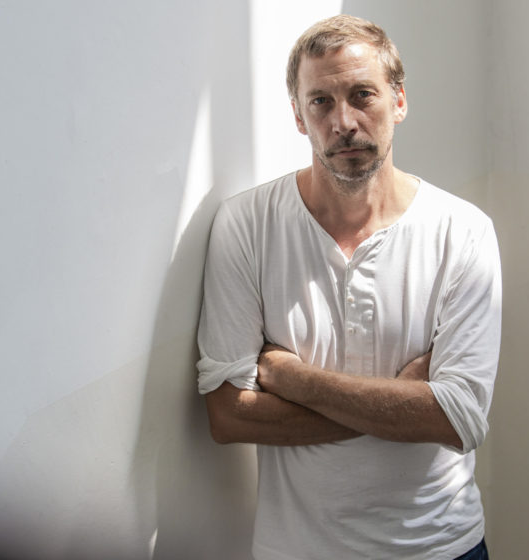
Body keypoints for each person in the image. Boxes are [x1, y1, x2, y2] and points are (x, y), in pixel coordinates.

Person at [196, 14, 500, 560]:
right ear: (298, 116)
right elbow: (228, 416)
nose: (344, 122)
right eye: (320, 102)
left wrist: (291, 376)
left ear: (399, 101)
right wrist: (402, 401)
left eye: (363, 95)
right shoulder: (247, 225)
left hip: (440, 546)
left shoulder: (463, 231)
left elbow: (458, 418)